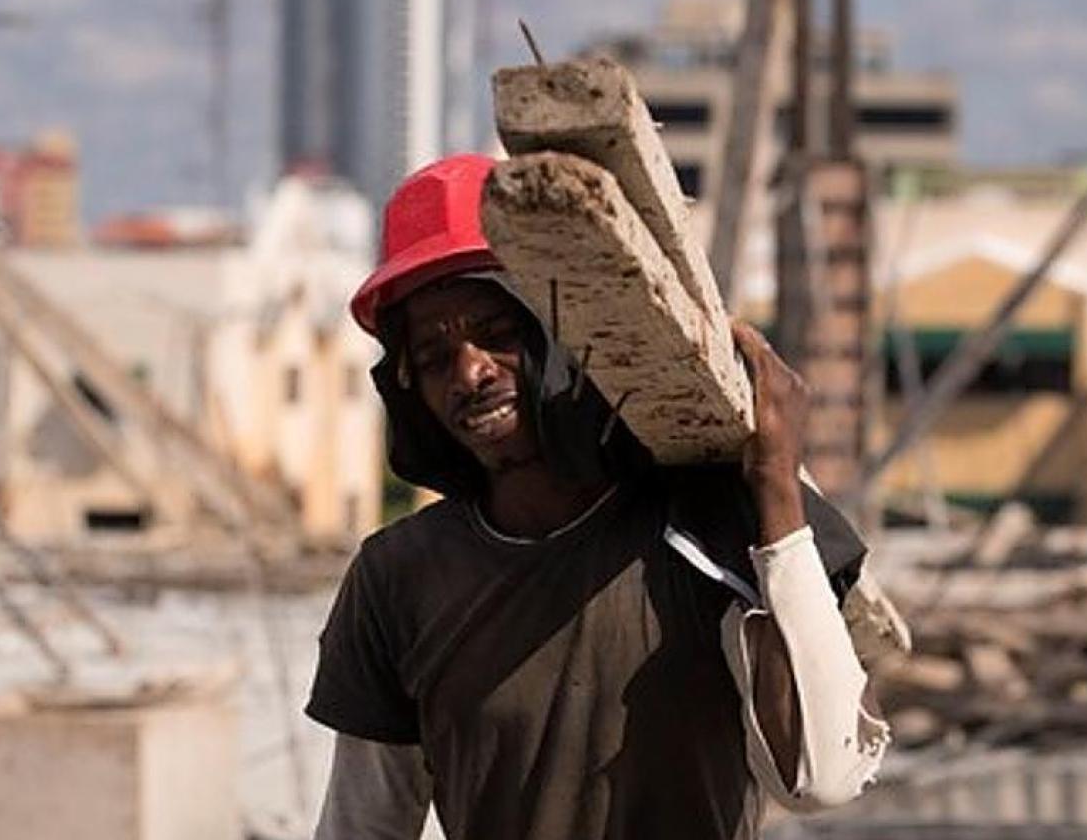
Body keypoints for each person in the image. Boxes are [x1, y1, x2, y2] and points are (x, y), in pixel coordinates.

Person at [306, 154, 889, 840]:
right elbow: (363, 825)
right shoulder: (399, 578)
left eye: (498, 336)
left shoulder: (702, 521)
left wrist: (775, 483)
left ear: (559, 331)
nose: (469, 374)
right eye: (435, 358)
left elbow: (824, 778)